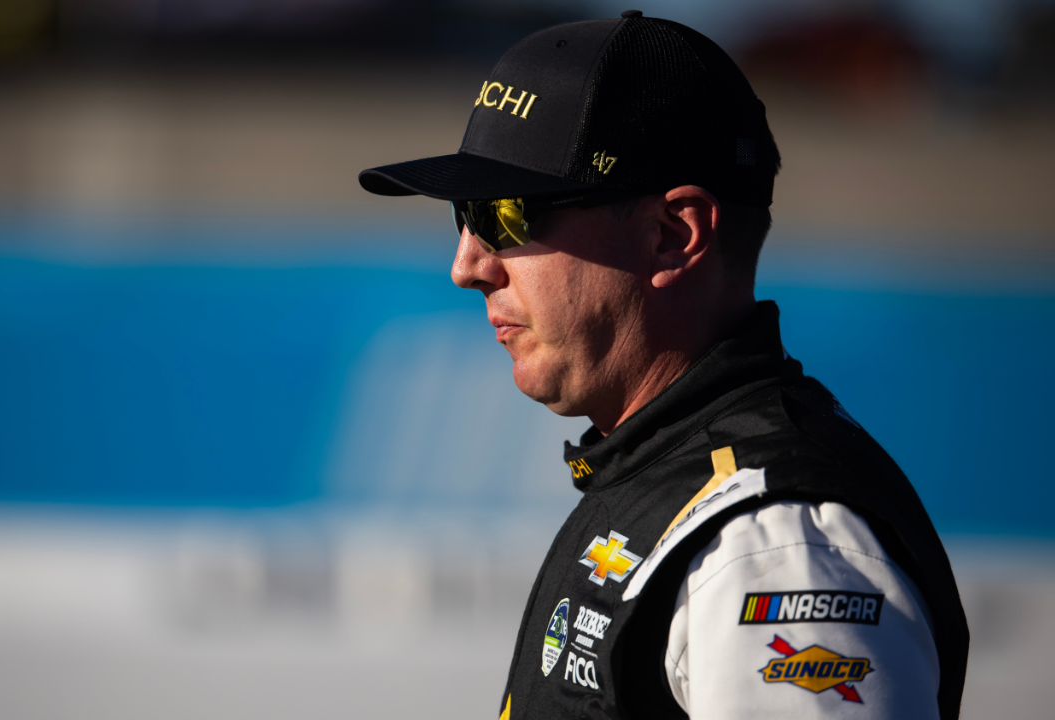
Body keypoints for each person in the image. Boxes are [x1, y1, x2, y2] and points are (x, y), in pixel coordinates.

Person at [357, 10, 969, 720]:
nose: (467, 265)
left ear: (672, 235)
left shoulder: (776, 547)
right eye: (464, 213)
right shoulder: (661, 476)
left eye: (507, 214)